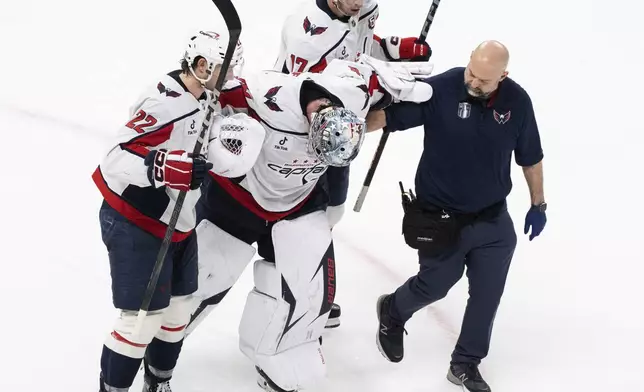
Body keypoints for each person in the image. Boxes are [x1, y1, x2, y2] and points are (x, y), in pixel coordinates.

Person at [185, 56, 434, 392]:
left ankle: (280, 351)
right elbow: (206, 96)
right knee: (198, 281)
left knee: (308, 289)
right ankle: (159, 336)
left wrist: (390, 74)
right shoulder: (265, 92)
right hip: (239, 198)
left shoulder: (353, 95)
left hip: (299, 202)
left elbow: (371, 73)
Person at [366, 40, 547, 392]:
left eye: (484, 81)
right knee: (436, 283)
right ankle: (393, 310)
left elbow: (531, 156)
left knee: (487, 293)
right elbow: (388, 117)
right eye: (472, 74)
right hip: (440, 218)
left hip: (493, 219)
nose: (474, 84)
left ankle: (465, 363)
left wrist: (538, 204)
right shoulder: (443, 88)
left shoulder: (517, 102)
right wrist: (347, 126)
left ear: (503, 76)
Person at [91, 30, 264, 392]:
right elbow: (116, 158)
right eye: (225, 67)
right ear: (201, 66)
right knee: (141, 321)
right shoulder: (165, 103)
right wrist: (168, 166)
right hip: (137, 222)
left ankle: (158, 382)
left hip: (179, 222)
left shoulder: (208, 94)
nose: (231, 75)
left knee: (177, 314)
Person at [274, 0, 433, 328]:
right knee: (302, 221)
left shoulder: (363, 7)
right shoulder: (309, 35)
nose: (360, 2)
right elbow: (310, 97)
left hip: (339, 138)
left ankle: (311, 289)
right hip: (300, 138)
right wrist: (380, 92)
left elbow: (362, 44)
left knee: (331, 214)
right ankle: (297, 299)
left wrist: (393, 49)